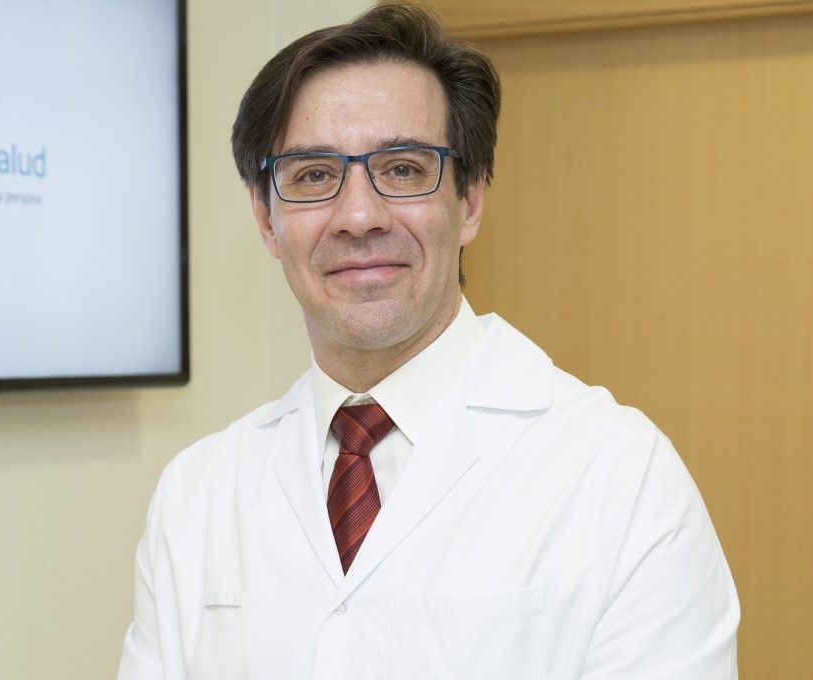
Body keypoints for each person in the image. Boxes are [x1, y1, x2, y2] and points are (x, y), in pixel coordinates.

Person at [117, 4, 739, 679]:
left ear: (469, 200)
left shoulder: (620, 475)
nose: (359, 216)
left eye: (404, 169)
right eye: (314, 175)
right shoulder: (196, 495)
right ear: (267, 219)